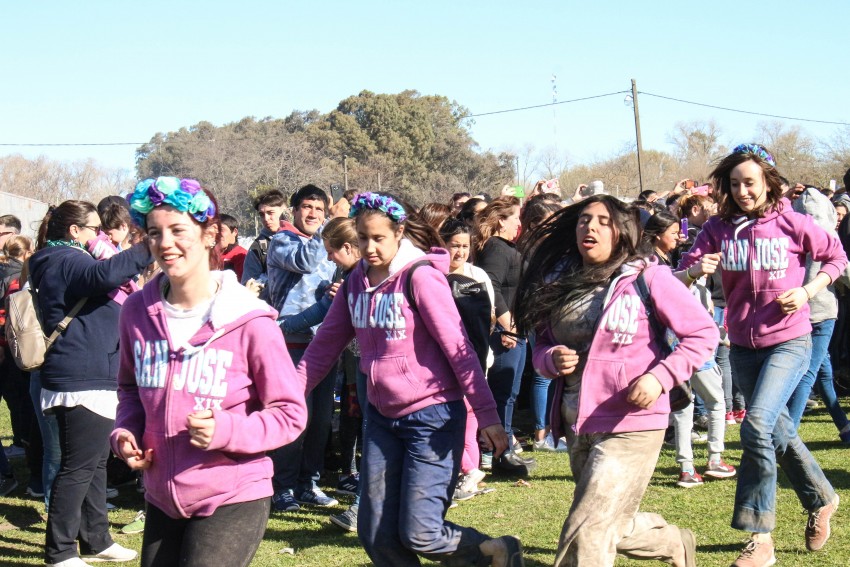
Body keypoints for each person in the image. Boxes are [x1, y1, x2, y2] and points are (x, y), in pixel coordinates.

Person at [296, 192, 522, 566]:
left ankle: (493, 550)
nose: (368, 248)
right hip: (381, 419)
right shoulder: (356, 282)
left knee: (421, 532)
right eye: (362, 238)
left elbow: (458, 348)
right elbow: (323, 347)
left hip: (433, 418)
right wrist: (286, 396)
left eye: (378, 238)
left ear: (399, 232)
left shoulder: (421, 278)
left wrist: (488, 415)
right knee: (376, 535)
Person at [112, 176, 308, 567]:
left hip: (232, 493)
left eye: (178, 230)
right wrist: (126, 432)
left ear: (209, 234)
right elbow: (130, 390)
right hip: (161, 495)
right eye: (154, 233)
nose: (165, 243)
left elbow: (290, 414)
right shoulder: (136, 312)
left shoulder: (250, 321)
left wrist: (226, 431)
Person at [515, 194, 715, 567]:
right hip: (578, 419)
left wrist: (660, 377)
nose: (589, 227)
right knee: (609, 523)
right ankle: (672, 543)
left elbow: (703, 333)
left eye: (603, 221)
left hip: (633, 421)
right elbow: (541, 344)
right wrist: (549, 358)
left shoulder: (649, 277)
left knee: (588, 529)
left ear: (622, 233)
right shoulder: (561, 282)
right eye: (584, 219)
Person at [677, 144, 847, 566]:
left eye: (749, 183)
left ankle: (760, 538)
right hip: (744, 348)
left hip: (790, 339)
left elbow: (836, 258)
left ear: (768, 181)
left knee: (755, 426)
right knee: (777, 431)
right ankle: (822, 498)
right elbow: (681, 274)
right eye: (734, 184)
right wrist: (697, 269)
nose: (742, 192)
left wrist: (807, 290)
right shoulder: (716, 228)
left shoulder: (793, 221)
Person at [29, 200, 152, 566]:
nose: (100, 235)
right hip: (79, 376)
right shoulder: (64, 259)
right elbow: (104, 276)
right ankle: (60, 551)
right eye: (94, 229)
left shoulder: (60, 258)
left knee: (95, 463)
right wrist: (149, 245)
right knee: (77, 468)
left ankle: (96, 538)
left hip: (90, 372)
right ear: (74, 231)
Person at [641, 212, 736, 488]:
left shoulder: (660, 261)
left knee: (684, 406)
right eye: (673, 232)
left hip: (671, 348)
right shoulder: (657, 265)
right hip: (689, 347)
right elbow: (677, 297)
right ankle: (715, 460)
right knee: (715, 401)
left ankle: (686, 468)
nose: (679, 236)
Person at [266, 185, 339, 512]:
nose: (313, 214)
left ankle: (309, 483)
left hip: (324, 344)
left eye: (320, 210)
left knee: (322, 420)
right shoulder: (283, 241)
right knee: (296, 419)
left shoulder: (325, 246)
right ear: (294, 211)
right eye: (307, 207)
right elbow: (307, 262)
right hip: (290, 345)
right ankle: (282, 487)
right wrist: (331, 225)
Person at [473, 196, 535, 472]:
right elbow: (491, 287)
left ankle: (506, 447)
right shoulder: (496, 249)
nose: (519, 224)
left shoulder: (506, 247)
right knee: (500, 393)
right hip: (504, 333)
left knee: (510, 392)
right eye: (516, 218)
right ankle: (496, 453)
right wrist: (506, 325)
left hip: (515, 329)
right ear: (501, 220)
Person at [784, 187, 850, 438]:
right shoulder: (827, 234)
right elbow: (843, 270)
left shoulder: (790, 232)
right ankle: (787, 438)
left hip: (794, 308)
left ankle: (844, 426)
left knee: (822, 371)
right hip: (821, 311)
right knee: (808, 373)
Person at [438, 218, 497, 500]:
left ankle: (468, 473)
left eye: (465, 246)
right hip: (442, 367)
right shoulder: (431, 276)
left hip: (474, 362)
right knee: (455, 424)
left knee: (468, 424)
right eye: (454, 246)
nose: (460, 252)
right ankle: (466, 475)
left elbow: (488, 321)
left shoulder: (478, 277)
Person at [518, 196, 568, 452]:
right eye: (551, 220)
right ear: (536, 223)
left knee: (552, 374)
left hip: (555, 312)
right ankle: (540, 433)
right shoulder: (531, 249)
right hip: (540, 313)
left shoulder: (550, 246)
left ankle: (551, 429)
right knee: (542, 376)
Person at [241, 189, 286, 296]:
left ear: (284, 211)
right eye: (262, 214)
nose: (266, 219)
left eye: (270, 213)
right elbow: (250, 283)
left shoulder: (301, 237)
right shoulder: (258, 247)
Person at [219, 213, 247, 280]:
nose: (218, 234)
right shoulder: (209, 255)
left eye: (221, 229)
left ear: (234, 232)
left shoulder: (242, 255)